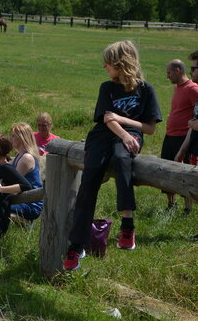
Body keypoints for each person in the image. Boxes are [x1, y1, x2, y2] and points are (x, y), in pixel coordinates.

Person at [63, 41, 162, 271]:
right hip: (102, 136)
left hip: (130, 133)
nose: (104, 66)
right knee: (90, 178)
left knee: (122, 158)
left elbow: (150, 128)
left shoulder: (146, 90)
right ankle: (76, 245)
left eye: (107, 62)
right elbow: (106, 118)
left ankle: (127, 225)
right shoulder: (106, 87)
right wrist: (124, 133)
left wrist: (125, 126)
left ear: (121, 63)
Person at [160, 59, 198, 210]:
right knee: (166, 169)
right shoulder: (177, 87)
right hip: (170, 135)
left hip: (183, 137)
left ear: (177, 71)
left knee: (184, 172)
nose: (167, 76)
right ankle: (171, 204)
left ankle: (188, 207)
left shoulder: (192, 89)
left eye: (169, 73)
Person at [10, 123, 43, 223]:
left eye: (13, 136)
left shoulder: (26, 158)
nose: (10, 139)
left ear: (21, 138)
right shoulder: (19, 155)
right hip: (22, 200)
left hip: (31, 204)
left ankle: (25, 222)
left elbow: (12, 182)